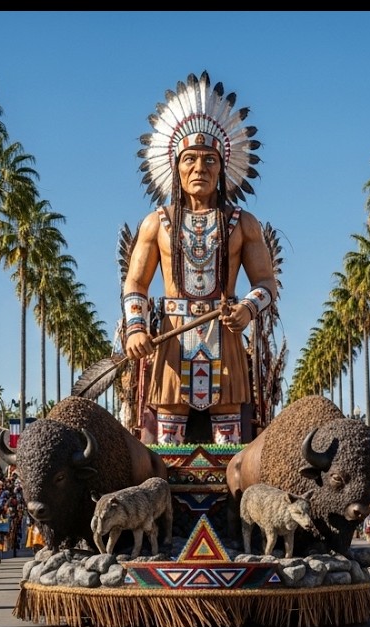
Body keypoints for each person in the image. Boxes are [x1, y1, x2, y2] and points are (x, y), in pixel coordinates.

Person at [121, 71, 277, 446]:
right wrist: (137, 328)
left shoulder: (243, 223)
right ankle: (166, 502)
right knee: (166, 439)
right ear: (175, 165)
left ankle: (231, 501)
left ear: (222, 167)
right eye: (189, 158)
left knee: (230, 439)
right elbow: (136, 282)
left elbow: (266, 283)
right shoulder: (156, 223)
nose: (199, 168)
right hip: (173, 339)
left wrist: (247, 310)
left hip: (225, 332)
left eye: (209, 159)